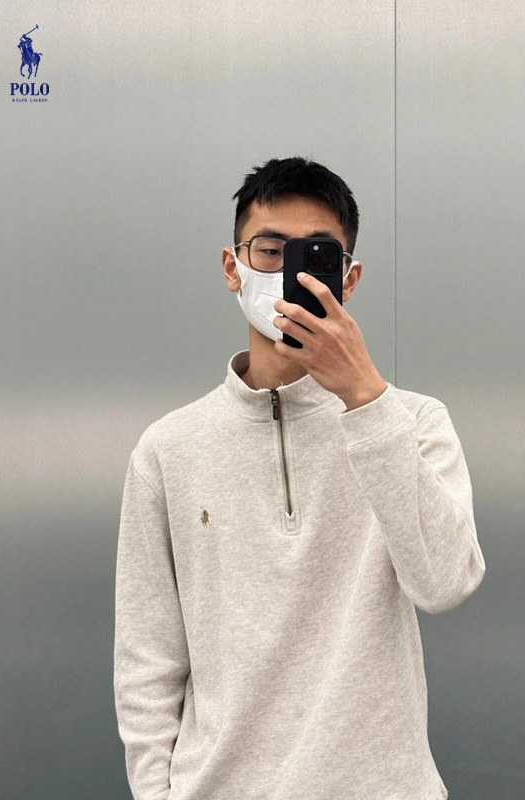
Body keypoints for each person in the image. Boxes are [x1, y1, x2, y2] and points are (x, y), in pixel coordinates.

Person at [113, 156, 486, 800]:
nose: (288, 272)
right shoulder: (167, 450)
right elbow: (147, 657)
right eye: (269, 250)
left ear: (349, 277)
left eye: (316, 254)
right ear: (232, 267)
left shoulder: (413, 422)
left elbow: (445, 582)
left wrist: (365, 398)